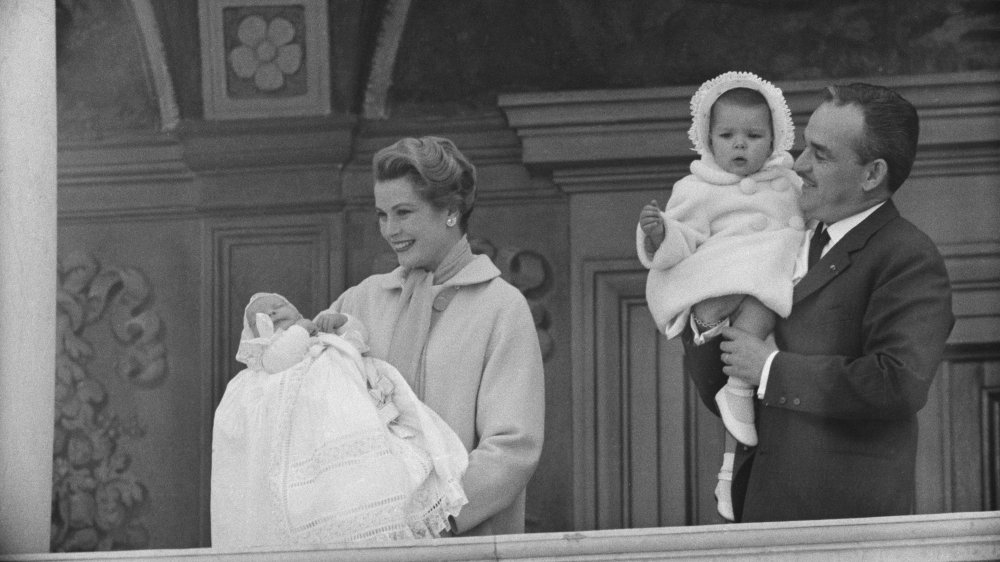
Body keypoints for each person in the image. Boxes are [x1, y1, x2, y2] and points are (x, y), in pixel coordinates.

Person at [683, 82, 954, 523]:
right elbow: (726, 396)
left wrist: (770, 368)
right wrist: (707, 321)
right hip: (762, 515)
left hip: (846, 527)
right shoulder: (786, 239)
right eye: (804, 146)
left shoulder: (907, 255)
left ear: (872, 174)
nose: (799, 163)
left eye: (821, 154)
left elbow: (899, 383)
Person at [314, 136, 545, 536]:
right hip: (369, 543)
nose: (390, 230)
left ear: (451, 212)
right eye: (383, 214)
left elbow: (513, 448)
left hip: (462, 542)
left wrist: (432, 521)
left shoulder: (501, 307)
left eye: (404, 212)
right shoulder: (361, 300)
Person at [636, 71, 804, 520]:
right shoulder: (697, 186)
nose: (740, 146)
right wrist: (660, 233)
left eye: (754, 135)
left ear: (776, 138)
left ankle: (730, 472)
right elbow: (684, 238)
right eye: (727, 135)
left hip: (769, 289)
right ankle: (733, 434)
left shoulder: (790, 182)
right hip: (725, 281)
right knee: (742, 377)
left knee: (747, 406)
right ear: (707, 137)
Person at [211, 292, 468, 547]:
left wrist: (341, 321)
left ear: (298, 311)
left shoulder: (323, 335)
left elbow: (358, 338)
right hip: (318, 419)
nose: (274, 313)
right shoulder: (269, 351)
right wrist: (299, 331)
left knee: (383, 466)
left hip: (351, 407)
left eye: (279, 306)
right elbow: (279, 359)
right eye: (263, 316)